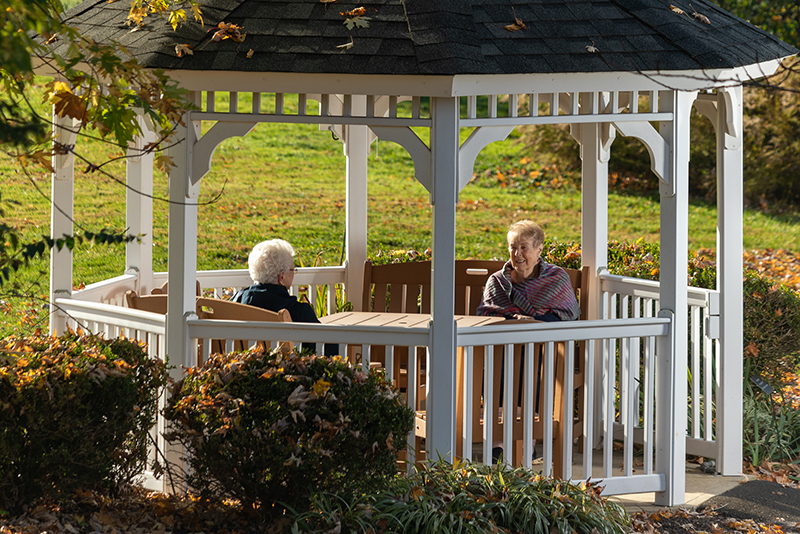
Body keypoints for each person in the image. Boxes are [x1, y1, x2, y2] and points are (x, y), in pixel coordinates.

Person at [232, 239, 336, 355]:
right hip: (283, 366)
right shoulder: (299, 313)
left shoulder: (235, 302)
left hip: (241, 364)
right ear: (281, 277)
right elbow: (329, 350)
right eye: (292, 270)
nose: (294, 273)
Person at [477, 220, 579, 321]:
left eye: (524, 247)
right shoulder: (497, 281)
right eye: (513, 247)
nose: (517, 253)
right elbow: (486, 317)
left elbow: (568, 316)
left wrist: (533, 321)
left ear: (539, 250)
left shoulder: (556, 277)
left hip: (546, 331)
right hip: (506, 331)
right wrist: (516, 322)